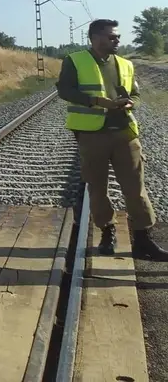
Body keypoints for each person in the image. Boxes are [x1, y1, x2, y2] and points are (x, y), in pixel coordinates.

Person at [56, 18, 168, 260]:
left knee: (136, 188)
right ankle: (107, 232)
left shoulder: (126, 64)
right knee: (98, 189)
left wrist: (131, 102)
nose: (117, 40)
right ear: (95, 38)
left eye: (117, 36)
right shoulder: (75, 61)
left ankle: (143, 240)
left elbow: (136, 94)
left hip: (125, 133)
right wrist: (97, 101)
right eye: (111, 36)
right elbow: (64, 90)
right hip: (92, 135)